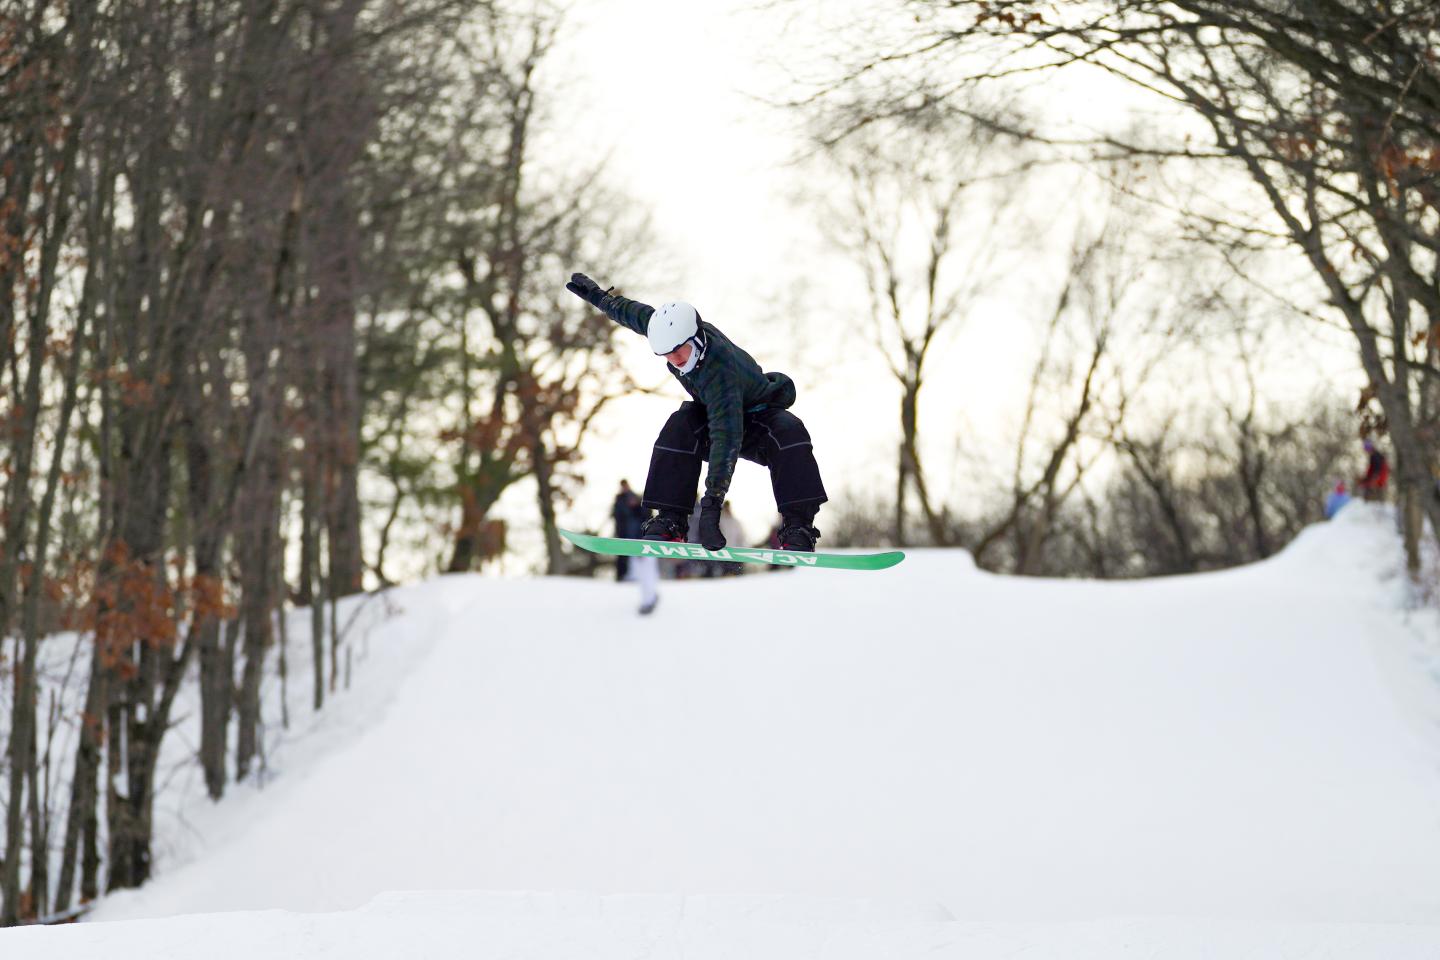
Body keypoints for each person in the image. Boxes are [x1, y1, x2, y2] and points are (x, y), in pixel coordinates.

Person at [566, 272, 827, 552]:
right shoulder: (667, 331)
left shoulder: (719, 368)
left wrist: (711, 508)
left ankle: (798, 526)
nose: (677, 360)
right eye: (668, 355)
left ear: (697, 337)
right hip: (715, 415)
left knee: (789, 431)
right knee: (680, 425)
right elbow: (633, 314)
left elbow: (726, 438)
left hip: (758, 418)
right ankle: (671, 520)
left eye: (682, 351)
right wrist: (599, 297)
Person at [611, 479, 646, 580]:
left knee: (635, 554)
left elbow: (643, 513)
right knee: (622, 555)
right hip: (623, 532)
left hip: (635, 533)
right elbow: (617, 515)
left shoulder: (635, 497)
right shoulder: (619, 499)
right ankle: (621, 576)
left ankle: (636, 575)